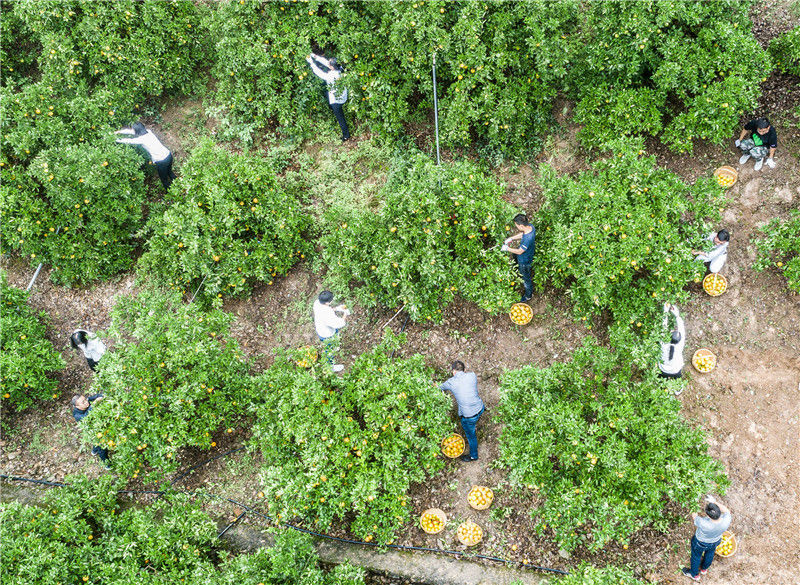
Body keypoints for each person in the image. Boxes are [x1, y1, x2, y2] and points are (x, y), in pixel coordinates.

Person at [439, 360, 485, 462]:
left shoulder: (451, 382)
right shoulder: (472, 375)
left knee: (471, 435)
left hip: (470, 416)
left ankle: (473, 456)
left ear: (453, 371)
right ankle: (480, 415)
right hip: (480, 407)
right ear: (464, 370)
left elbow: (440, 388)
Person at [682, 495, 732, 581]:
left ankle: (694, 574)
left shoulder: (704, 523)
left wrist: (694, 502)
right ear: (719, 512)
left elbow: (694, 516)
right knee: (710, 553)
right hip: (715, 541)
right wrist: (714, 502)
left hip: (700, 543)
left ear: (709, 516)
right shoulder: (726, 519)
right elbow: (726, 510)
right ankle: (704, 569)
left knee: (696, 556)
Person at [115, 122, 176, 190]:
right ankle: (178, 184)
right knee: (170, 172)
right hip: (168, 155)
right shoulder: (149, 132)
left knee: (164, 180)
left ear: (137, 131)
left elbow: (129, 141)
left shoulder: (141, 140)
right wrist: (119, 132)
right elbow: (132, 132)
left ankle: (170, 192)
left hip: (162, 161)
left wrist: (116, 139)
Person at [305, 52, 350, 141]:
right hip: (342, 95)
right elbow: (326, 63)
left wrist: (311, 63)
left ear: (332, 67)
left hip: (336, 100)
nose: (328, 63)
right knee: (327, 94)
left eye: (330, 64)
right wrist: (315, 56)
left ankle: (346, 135)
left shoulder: (331, 76)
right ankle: (331, 107)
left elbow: (319, 73)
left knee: (340, 118)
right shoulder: (340, 69)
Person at [312, 291, 350, 372]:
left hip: (320, 328)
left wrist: (337, 308)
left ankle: (335, 346)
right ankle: (331, 366)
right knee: (329, 350)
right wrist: (345, 313)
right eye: (331, 300)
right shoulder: (327, 315)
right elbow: (339, 324)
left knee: (334, 340)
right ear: (327, 302)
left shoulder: (317, 303)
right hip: (327, 334)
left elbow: (327, 309)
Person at [502, 213, 536, 302]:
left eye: (516, 225)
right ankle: (517, 268)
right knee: (515, 257)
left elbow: (520, 251)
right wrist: (511, 238)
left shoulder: (528, 238)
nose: (516, 227)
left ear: (521, 225)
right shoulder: (530, 227)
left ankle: (528, 295)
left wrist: (507, 248)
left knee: (526, 278)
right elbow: (522, 235)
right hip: (524, 255)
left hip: (525, 260)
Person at [71, 394, 109, 465]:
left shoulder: (86, 401)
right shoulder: (77, 415)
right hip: (91, 430)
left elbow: (96, 396)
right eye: (83, 402)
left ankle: (94, 451)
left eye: (85, 399)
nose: (86, 402)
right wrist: (94, 404)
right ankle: (106, 463)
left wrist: (102, 396)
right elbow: (86, 416)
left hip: (97, 425)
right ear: (77, 406)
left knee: (96, 443)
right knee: (102, 447)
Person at [659, 303, 686, 383]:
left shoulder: (663, 343)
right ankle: (677, 390)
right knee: (678, 379)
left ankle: (661, 386)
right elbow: (682, 329)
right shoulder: (680, 344)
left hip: (663, 369)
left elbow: (663, 327)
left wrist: (665, 311)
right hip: (675, 369)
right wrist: (677, 315)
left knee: (661, 378)